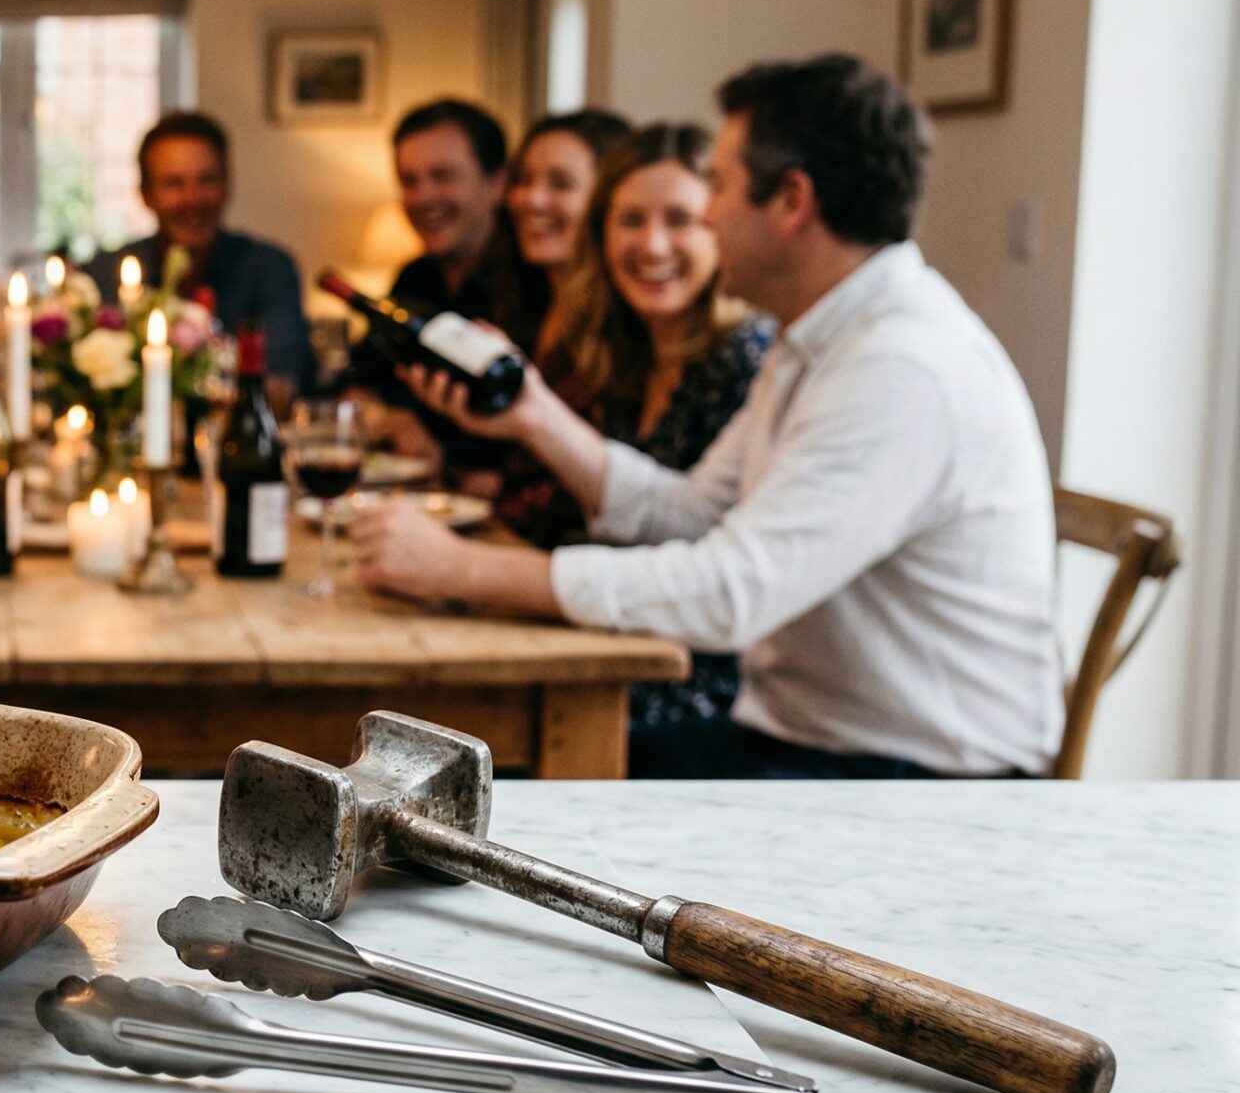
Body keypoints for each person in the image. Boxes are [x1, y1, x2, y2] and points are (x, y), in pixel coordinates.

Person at [352, 55, 1060, 778]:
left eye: (717, 187)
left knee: (495, 781)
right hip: (806, 741)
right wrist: (534, 414)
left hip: (915, 781)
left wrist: (465, 568)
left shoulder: (900, 368)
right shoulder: (817, 339)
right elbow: (687, 510)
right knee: (467, 767)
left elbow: (730, 592)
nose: (710, 213)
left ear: (791, 201)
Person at [496, 122, 776, 732]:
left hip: (699, 680)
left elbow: (709, 560)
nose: (651, 245)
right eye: (630, 220)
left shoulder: (747, 356)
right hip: (609, 637)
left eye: (681, 220)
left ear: (720, 227)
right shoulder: (620, 350)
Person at [353, 98, 538, 472]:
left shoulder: (534, 283)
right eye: (410, 181)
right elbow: (359, 382)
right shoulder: (415, 277)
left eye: (443, 176)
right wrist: (393, 418)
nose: (423, 198)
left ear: (496, 184)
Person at [87, 111, 312, 396]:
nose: (193, 199)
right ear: (145, 194)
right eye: (173, 184)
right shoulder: (105, 273)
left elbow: (280, 385)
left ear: (228, 184)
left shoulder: (268, 269)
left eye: (207, 180)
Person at [506, 109, 632, 352]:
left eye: (561, 183)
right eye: (524, 179)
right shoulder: (521, 297)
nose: (532, 200)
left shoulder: (625, 324)